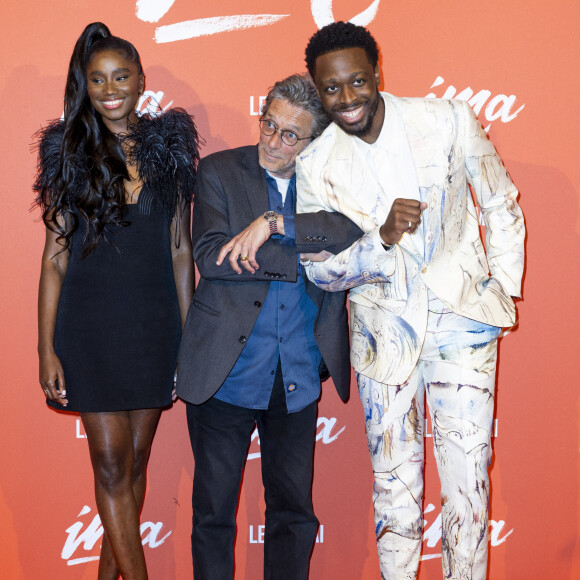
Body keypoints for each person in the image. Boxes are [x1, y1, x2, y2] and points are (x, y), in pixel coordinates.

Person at [295, 22, 525, 580]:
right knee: (395, 492)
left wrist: (500, 289)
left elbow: (499, 201)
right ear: (317, 89)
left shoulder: (445, 120)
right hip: (384, 339)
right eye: (331, 88)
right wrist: (380, 241)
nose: (346, 98)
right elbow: (319, 270)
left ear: (377, 73)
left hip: (462, 325)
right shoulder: (315, 164)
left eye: (356, 81)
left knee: (468, 487)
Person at [176, 74, 363, 580]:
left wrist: (274, 225)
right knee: (213, 516)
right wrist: (305, 253)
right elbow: (215, 256)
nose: (273, 142)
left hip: (297, 374)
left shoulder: (331, 180)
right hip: (225, 372)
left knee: (293, 514)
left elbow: (348, 233)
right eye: (269, 125)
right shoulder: (217, 170)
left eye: (289, 135)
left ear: (314, 141)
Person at [34, 22, 199, 580]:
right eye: (98, 78)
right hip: (89, 332)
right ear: (86, 83)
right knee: (110, 465)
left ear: (140, 80)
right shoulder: (69, 154)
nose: (110, 89)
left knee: (134, 467)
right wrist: (45, 348)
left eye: (121, 76)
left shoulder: (171, 151)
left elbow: (181, 254)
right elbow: (54, 259)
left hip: (155, 330)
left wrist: (189, 336)